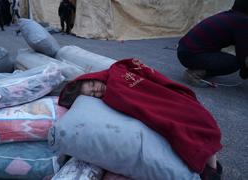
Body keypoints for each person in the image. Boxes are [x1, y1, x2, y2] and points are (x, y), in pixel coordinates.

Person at [58, 58, 223, 180]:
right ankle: (210, 168)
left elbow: (147, 74)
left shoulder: (117, 72)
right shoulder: (111, 97)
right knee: (182, 127)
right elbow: (135, 106)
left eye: (93, 86)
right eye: (93, 94)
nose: (97, 91)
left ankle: (210, 166)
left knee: (196, 117)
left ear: (93, 77)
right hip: (159, 108)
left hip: (166, 98)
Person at [177, 0, 248, 86]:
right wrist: (244, 73)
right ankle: (195, 73)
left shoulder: (230, 15)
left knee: (227, 57)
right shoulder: (243, 21)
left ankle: (200, 67)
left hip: (184, 50)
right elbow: (242, 53)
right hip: (192, 55)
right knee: (234, 63)